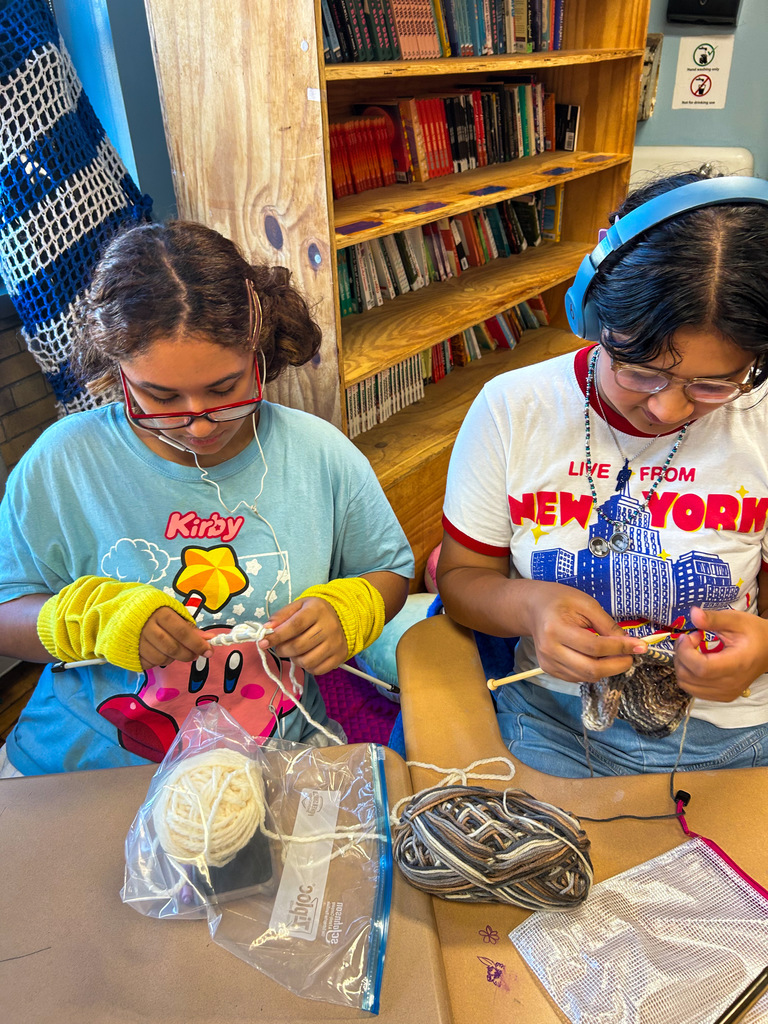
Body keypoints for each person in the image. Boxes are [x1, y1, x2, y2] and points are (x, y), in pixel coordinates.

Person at [0, 221, 413, 776]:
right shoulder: (63, 463)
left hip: (274, 757)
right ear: (117, 370)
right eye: (160, 396)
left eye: (224, 389)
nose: (198, 426)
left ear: (260, 352)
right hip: (87, 764)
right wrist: (85, 620)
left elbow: (388, 571)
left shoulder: (318, 454)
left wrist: (353, 609)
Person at [437, 170, 768, 778]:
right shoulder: (513, 408)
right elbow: (461, 578)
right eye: (640, 368)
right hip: (553, 724)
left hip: (738, 735)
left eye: (714, 384)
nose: (668, 408)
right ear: (592, 313)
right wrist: (530, 607)